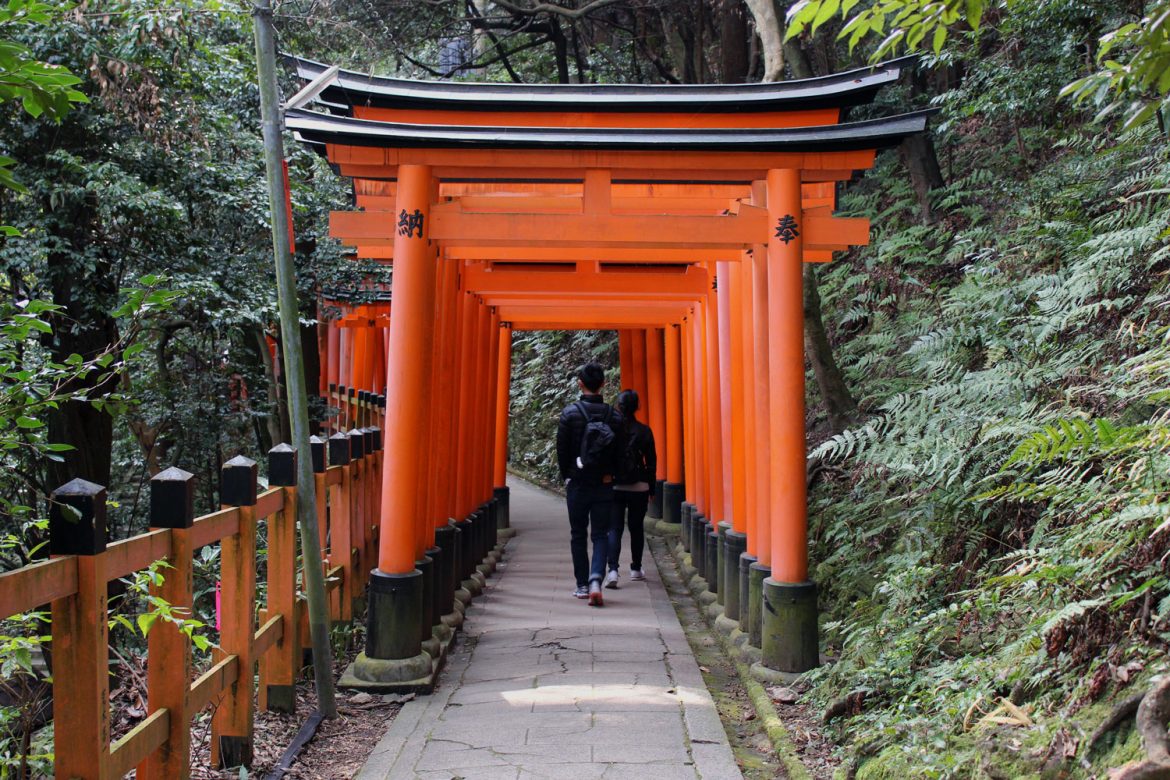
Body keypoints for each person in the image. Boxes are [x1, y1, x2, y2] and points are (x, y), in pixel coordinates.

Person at [556, 361, 624, 607]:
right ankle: (597, 578)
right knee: (600, 534)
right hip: (604, 484)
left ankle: (582, 585)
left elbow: (562, 451)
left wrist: (568, 475)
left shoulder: (569, 414)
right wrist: (611, 475)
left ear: (580, 384)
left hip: (578, 483)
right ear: (603, 384)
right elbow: (621, 452)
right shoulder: (614, 416)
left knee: (577, 534)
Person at [604, 389, 656, 589]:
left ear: (618, 406)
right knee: (636, 528)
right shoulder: (644, 431)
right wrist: (652, 488)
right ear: (637, 407)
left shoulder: (611, 430)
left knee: (614, 528)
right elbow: (651, 462)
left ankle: (613, 571)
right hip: (639, 484)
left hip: (616, 485)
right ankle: (635, 569)